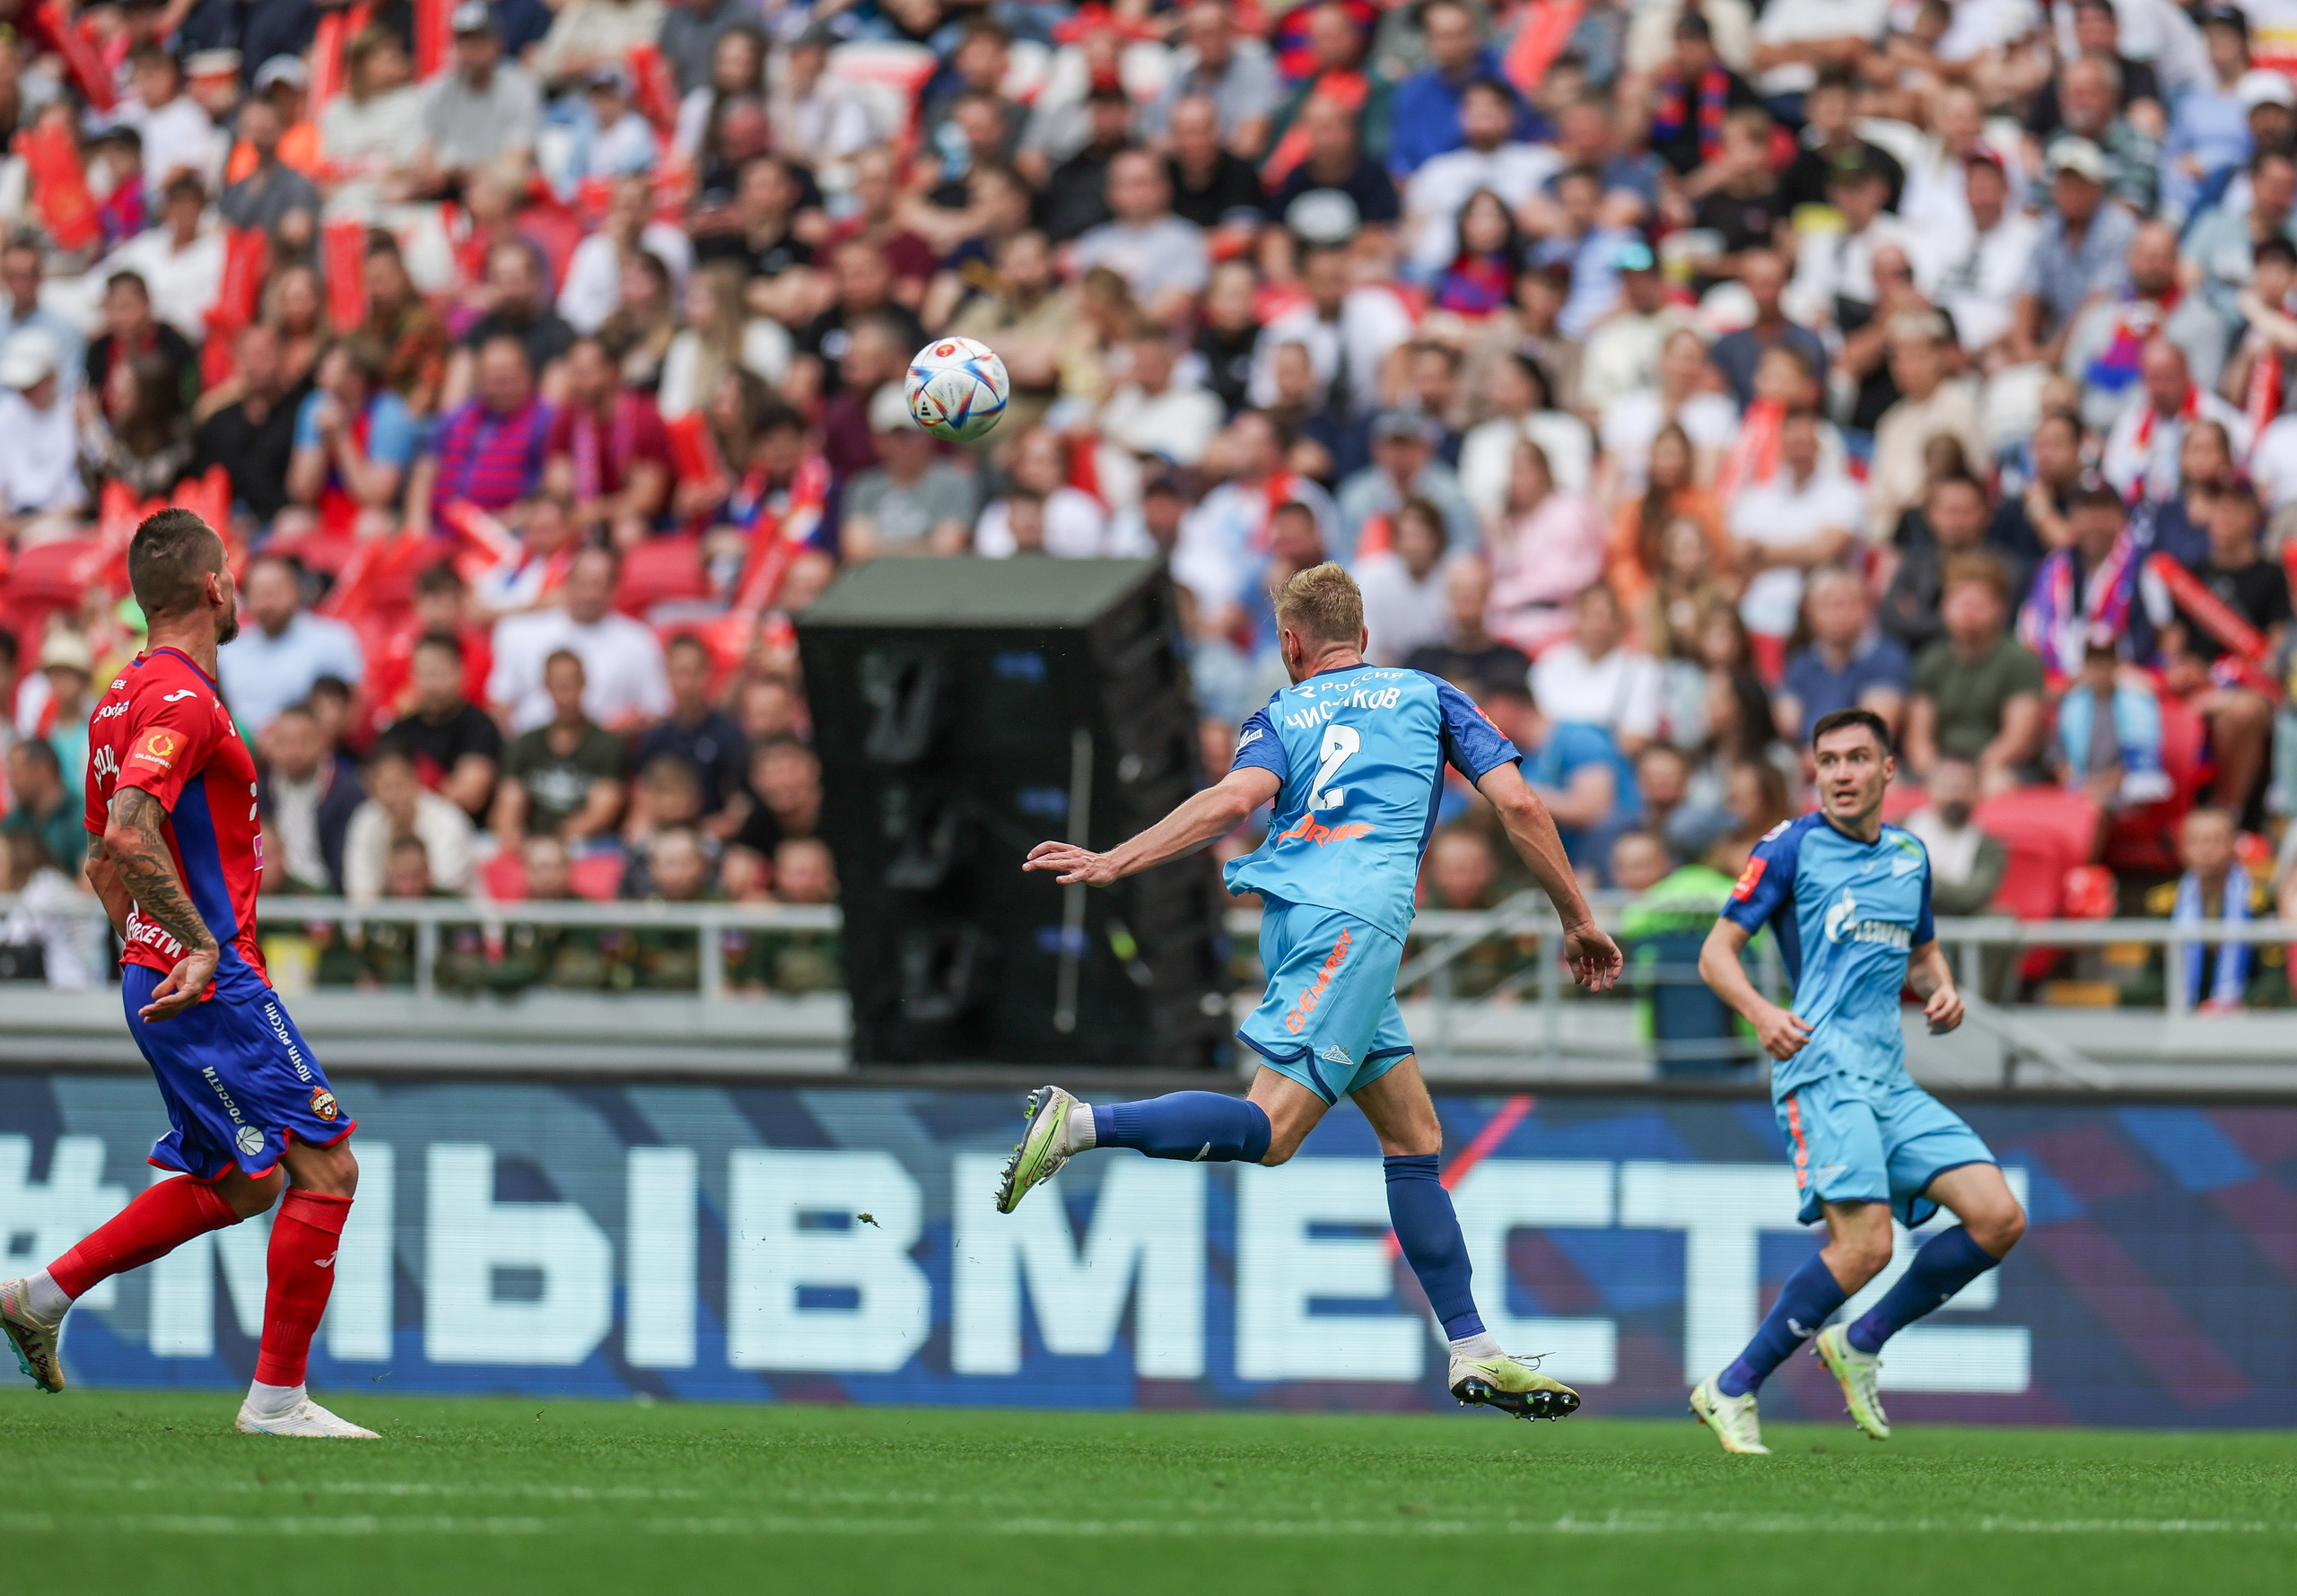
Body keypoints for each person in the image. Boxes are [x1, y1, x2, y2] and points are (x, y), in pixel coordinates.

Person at [995, 562, 1621, 1421]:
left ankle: (1474, 1348)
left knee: (1414, 1134)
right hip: (1356, 925)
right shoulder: (1430, 693)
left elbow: (1231, 801)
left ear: (1290, 643)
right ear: (1361, 636)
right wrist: (1577, 915)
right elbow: (1516, 803)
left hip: (1302, 918)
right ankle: (1080, 1123)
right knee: (1273, 1132)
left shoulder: (1279, 714)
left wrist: (1116, 858)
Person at [0, 509, 371, 1438]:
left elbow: (98, 859)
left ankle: (40, 1295)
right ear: (216, 587)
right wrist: (196, 944)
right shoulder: (182, 701)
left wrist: (143, 948)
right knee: (326, 1169)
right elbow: (128, 833)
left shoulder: (116, 699)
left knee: (246, 1183)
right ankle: (276, 1401)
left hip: (159, 972)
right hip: (209, 974)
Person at [1690, 708, 2026, 1454]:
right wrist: (1758, 1012)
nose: (1840, 773)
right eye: (1828, 760)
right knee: (1866, 1246)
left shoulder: (1910, 855)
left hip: (1888, 1076)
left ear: (1887, 771)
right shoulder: (1789, 848)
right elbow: (1717, 953)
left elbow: (1924, 952)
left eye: (1856, 758)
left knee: (1998, 1216)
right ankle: (1732, 1387)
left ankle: (1862, 1339)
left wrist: (1941, 988)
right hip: (1818, 1067)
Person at [487, 547, 671, 732]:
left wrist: (626, 726)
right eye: (582, 584)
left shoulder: (638, 641)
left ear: (614, 590)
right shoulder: (521, 633)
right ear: (566, 583)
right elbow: (501, 703)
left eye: (598, 585)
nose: (589, 594)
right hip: (533, 749)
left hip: (607, 750)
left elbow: (656, 709)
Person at [1910, 554, 2048, 790]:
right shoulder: (1932, 659)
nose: (1968, 613)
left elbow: (2019, 739)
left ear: (2001, 610)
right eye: (1960, 602)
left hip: (2001, 767)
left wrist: (1973, 773)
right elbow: (1919, 739)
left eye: (1979, 604)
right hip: (1944, 767)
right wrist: (1934, 770)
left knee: (1998, 786)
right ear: (1944, 607)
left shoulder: (2020, 660)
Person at [215, 554, 365, 735]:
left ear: (297, 590)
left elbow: (351, 712)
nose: (268, 602)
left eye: (275, 591)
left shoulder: (333, 641)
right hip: (242, 753)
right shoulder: (229, 650)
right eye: (259, 592)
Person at [491, 649, 626, 846]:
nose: (565, 690)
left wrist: (551, 845)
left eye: (571, 681)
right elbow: (508, 807)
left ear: (584, 683)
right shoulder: (526, 743)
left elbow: (601, 814)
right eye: (558, 683)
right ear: (546, 686)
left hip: (588, 846)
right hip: (533, 846)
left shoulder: (608, 745)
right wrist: (515, 839)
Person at [378, 632, 502, 822]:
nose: (433, 685)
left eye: (440, 673)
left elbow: (469, 797)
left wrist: (410, 786)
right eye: (425, 674)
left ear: (461, 673)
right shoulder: (398, 731)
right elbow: (374, 785)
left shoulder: (480, 727)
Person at [342, 745, 476, 903]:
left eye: (398, 786)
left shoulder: (448, 821)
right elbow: (359, 891)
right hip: (388, 920)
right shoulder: (365, 821)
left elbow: (441, 888)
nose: (392, 797)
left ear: (415, 781)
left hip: (455, 919)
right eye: (385, 788)